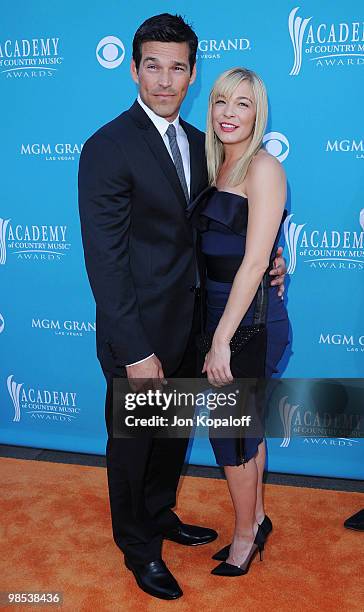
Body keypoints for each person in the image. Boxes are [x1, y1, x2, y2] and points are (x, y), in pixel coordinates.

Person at [78, 14, 286, 600]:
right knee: (135, 445)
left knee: (170, 442)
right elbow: (106, 262)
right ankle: (138, 549)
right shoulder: (107, 146)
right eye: (153, 66)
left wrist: (272, 258)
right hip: (139, 334)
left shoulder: (203, 143)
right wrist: (135, 349)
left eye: (177, 67)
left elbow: (229, 226)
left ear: (192, 74)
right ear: (134, 68)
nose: (165, 80)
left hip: (195, 327)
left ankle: (161, 515)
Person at [188, 67, 290, 577]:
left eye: (243, 104)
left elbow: (254, 263)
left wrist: (222, 341)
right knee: (243, 429)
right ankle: (259, 517)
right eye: (222, 102)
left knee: (230, 435)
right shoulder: (214, 165)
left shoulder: (263, 168)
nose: (230, 114)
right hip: (218, 318)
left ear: (258, 113)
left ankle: (246, 535)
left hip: (250, 323)